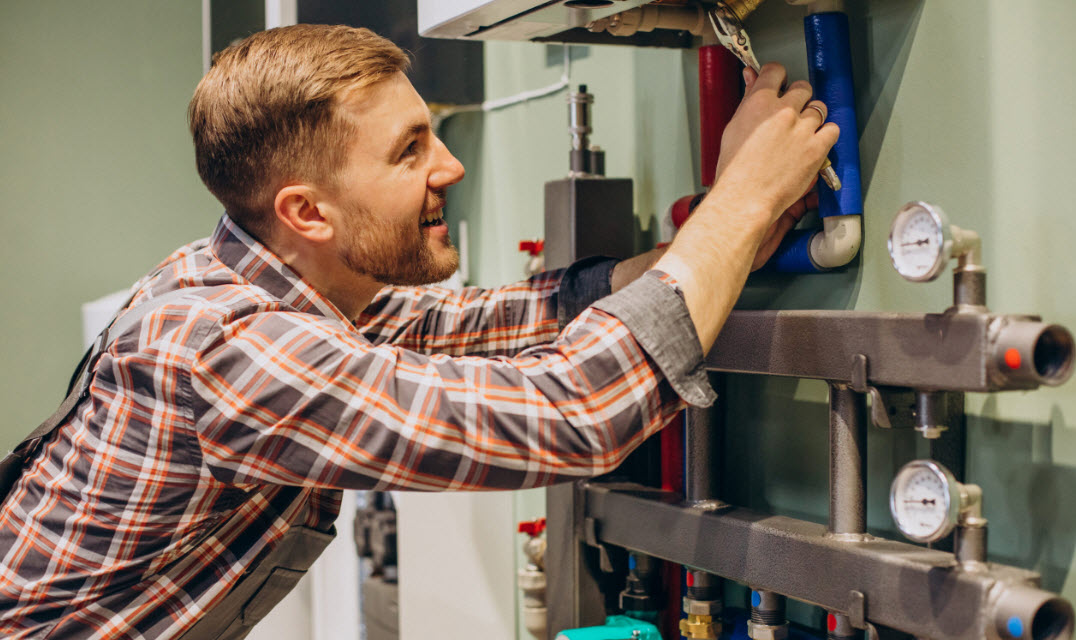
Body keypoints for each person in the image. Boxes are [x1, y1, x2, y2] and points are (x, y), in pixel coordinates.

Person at [0, 24, 837, 640]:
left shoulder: (268, 283)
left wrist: (703, 247)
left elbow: (468, 325)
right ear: (307, 211)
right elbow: (573, 415)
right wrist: (743, 202)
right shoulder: (232, 349)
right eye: (410, 150)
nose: (451, 166)